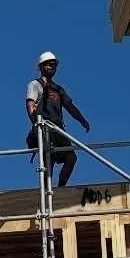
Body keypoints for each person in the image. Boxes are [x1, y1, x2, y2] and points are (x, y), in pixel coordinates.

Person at [26, 52, 91, 188]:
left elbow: (70, 106)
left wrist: (82, 120)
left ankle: (61, 188)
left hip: (58, 129)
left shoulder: (58, 89)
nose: (52, 67)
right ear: (42, 67)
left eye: (54, 65)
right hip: (44, 126)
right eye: (49, 64)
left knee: (71, 158)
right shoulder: (35, 84)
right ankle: (45, 191)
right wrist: (36, 125)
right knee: (48, 161)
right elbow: (30, 105)